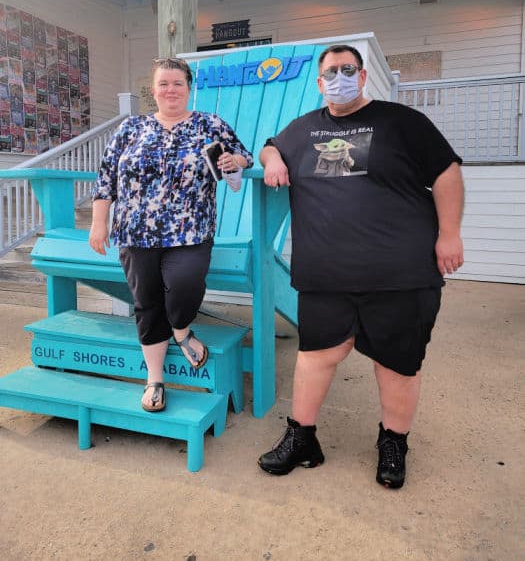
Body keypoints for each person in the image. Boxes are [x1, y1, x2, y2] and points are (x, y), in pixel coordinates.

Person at [258, 44, 464, 488]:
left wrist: (449, 234)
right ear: (318, 82)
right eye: (330, 72)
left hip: (400, 274)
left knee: (397, 364)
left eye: (347, 69)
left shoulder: (403, 122)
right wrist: (272, 156)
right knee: (315, 356)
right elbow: (271, 145)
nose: (339, 77)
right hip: (326, 275)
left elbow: (447, 172)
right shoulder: (305, 128)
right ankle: (302, 439)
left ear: (363, 74)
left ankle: (393, 442)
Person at [89, 56, 253, 412]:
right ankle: (155, 378)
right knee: (146, 302)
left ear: (189, 88)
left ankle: (181, 328)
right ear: (153, 90)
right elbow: (106, 179)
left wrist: (232, 162)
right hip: (136, 233)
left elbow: (244, 156)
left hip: (190, 231)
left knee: (184, 286)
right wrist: (99, 222)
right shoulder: (130, 129)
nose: (171, 89)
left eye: (178, 83)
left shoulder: (210, 125)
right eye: (164, 83)